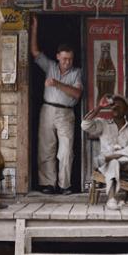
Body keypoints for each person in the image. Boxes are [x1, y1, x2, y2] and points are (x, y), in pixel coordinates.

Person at [31, 14, 83, 195]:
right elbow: (35, 51)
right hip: (48, 109)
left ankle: (64, 185)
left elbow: (76, 93)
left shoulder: (76, 72)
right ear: (58, 57)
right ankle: (48, 184)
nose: (67, 62)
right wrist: (35, 26)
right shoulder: (51, 66)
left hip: (66, 113)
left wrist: (56, 84)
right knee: (46, 148)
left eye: (70, 59)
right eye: (64, 58)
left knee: (66, 150)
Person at [82, 94, 128, 210]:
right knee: (113, 162)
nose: (115, 107)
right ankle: (111, 199)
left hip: (126, 163)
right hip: (106, 164)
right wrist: (99, 107)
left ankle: (111, 156)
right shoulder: (103, 124)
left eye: (119, 106)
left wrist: (117, 155)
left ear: (126, 110)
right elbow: (85, 126)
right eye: (113, 106)